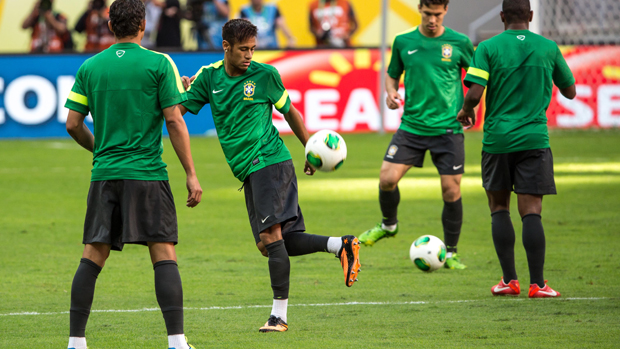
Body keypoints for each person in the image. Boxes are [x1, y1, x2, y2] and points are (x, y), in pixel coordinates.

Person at [178, 19, 361, 332]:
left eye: (253, 48)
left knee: (270, 238)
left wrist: (309, 149)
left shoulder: (265, 75)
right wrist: (179, 88)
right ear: (226, 47)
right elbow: (178, 111)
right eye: (243, 49)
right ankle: (339, 245)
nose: (250, 55)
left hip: (270, 161)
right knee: (274, 244)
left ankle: (279, 316)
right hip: (249, 170)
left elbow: (290, 110)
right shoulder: (209, 78)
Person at [64, 0, 202, 348]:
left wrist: (100, 150)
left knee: (92, 255)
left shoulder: (91, 67)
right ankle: (176, 342)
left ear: (110, 25)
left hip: (105, 175)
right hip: (147, 174)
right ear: (143, 24)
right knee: (163, 252)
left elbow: (73, 124)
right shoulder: (159, 63)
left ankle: (76, 342)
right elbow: (174, 118)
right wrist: (190, 173)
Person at [457, 0, 576, 298]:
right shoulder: (548, 47)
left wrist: (466, 111)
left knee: (499, 208)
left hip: (497, 140)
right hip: (534, 139)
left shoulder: (487, 48)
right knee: (531, 212)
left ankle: (509, 281)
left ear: (501, 17)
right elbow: (571, 91)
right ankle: (538, 284)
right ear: (531, 15)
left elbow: (474, 91)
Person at [359, 0, 473, 271]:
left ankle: (452, 252)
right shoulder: (403, 41)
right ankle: (388, 225)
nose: (432, 19)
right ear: (419, 9)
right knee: (387, 179)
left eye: (437, 14)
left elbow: (477, 77)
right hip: (412, 127)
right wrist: (391, 92)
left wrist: (472, 107)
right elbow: (391, 75)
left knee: (451, 190)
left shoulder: (460, 42)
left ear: (445, 11)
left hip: (448, 128)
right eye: (427, 13)